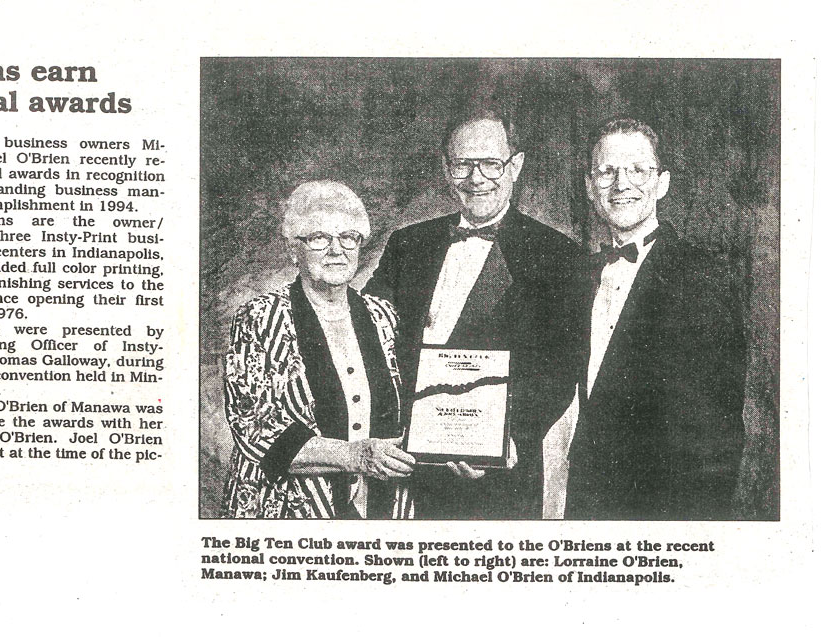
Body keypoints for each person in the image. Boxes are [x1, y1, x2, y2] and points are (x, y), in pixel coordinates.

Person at [364, 109, 582, 519]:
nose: (476, 178)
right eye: (463, 164)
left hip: (496, 476)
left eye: (490, 164)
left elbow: (559, 369)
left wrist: (508, 439)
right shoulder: (408, 243)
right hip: (401, 468)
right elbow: (368, 334)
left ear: (515, 166)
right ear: (447, 170)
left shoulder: (557, 254)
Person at [552, 117, 747, 520]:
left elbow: (715, 437)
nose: (621, 184)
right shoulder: (576, 276)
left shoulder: (702, 276)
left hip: (663, 511)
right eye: (607, 171)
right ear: (590, 186)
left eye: (638, 170)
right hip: (587, 504)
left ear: (662, 183)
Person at [221, 180, 415, 519]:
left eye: (348, 237)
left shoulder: (383, 316)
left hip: (380, 507)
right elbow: (254, 427)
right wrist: (353, 456)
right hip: (289, 510)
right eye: (319, 238)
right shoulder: (261, 317)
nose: (336, 250)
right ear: (294, 250)